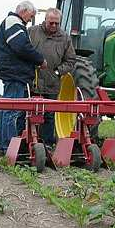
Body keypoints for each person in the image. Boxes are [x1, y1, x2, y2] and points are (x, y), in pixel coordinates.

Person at [0, 1, 47, 155]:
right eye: (30, 16)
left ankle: (5, 146)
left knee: (7, 110)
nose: (30, 20)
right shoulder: (14, 22)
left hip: (13, 73)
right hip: (15, 73)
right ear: (23, 11)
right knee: (12, 111)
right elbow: (21, 46)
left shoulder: (13, 23)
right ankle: (9, 148)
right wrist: (39, 60)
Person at [29, 8, 76, 147]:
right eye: (51, 23)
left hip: (52, 82)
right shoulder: (32, 32)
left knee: (49, 115)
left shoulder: (65, 38)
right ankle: (26, 140)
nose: (54, 26)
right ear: (45, 20)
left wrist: (57, 72)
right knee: (27, 112)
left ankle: (47, 144)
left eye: (57, 23)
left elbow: (71, 61)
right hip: (33, 81)